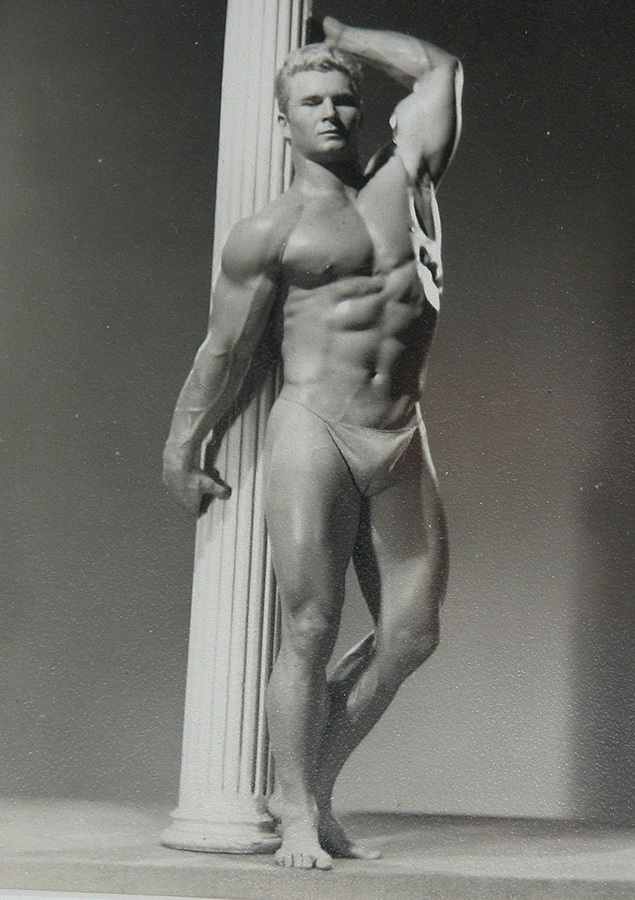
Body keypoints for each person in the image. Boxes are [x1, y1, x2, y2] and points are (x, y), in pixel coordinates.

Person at [163, 15, 463, 870]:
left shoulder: (406, 176)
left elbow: (439, 69)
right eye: (310, 102)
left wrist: (338, 34)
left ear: (362, 110)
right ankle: (297, 810)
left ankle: (312, 786)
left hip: (399, 428)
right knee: (309, 625)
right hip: (315, 427)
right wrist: (181, 449)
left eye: (341, 100)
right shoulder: (271, 230)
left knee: (411, 633)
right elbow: (224, 354)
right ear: (283, 120)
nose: (329, 113)